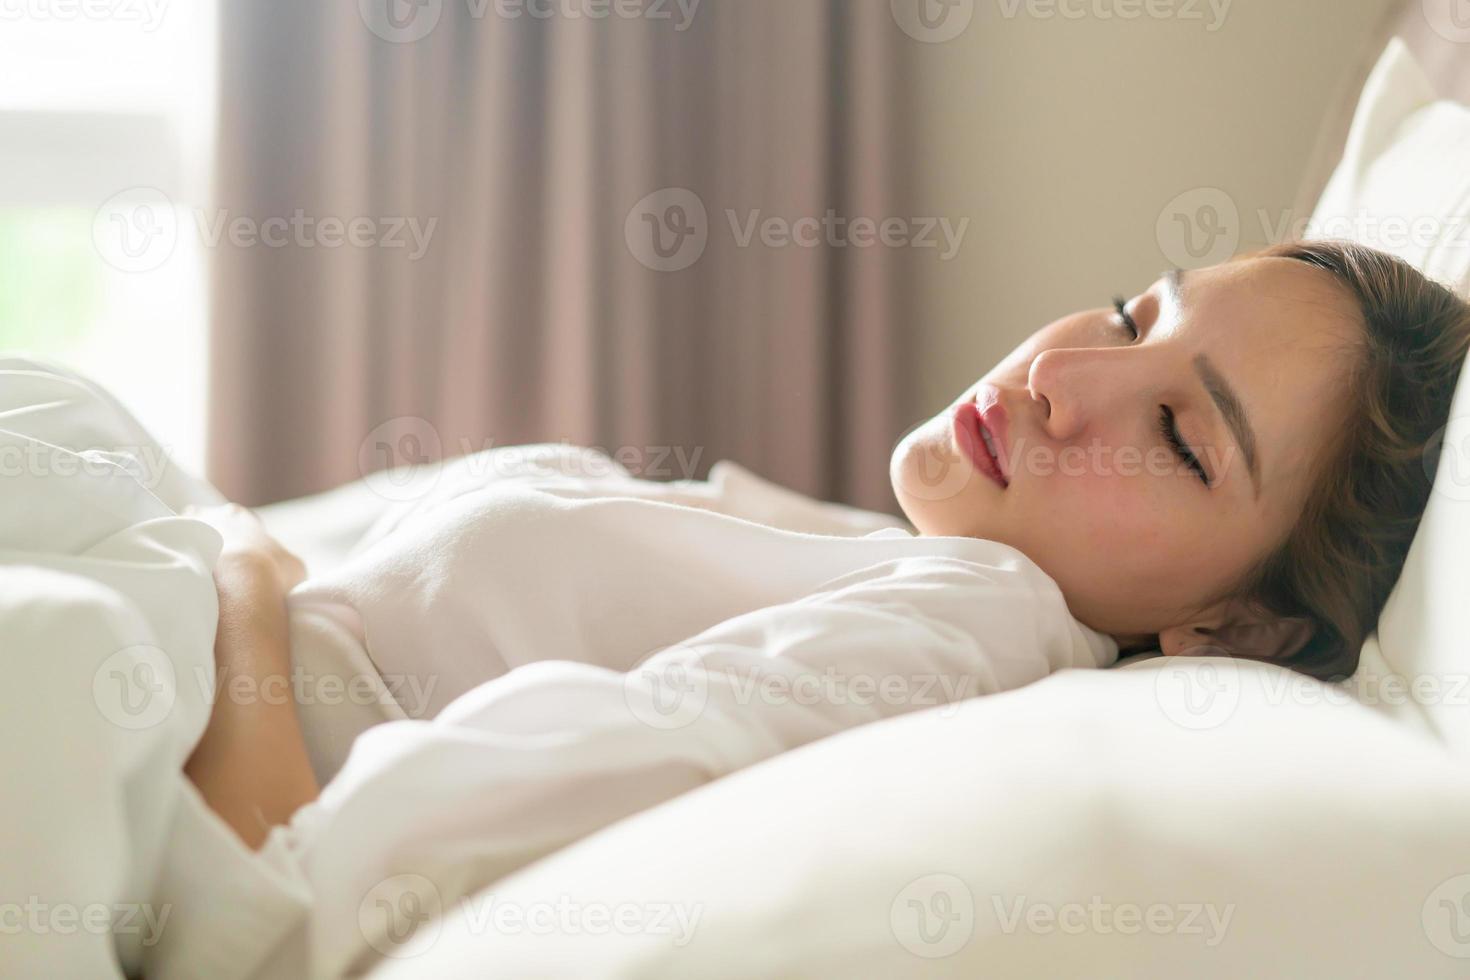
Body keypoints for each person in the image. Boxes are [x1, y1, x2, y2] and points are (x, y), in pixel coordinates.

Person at [6, 239, 1467, 979]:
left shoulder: (961, 631)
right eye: (1136, 315)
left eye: (1176, 435)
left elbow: (292, 906)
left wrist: (247, 594)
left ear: (1232, 630)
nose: (1060, 379)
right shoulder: (907, 568)